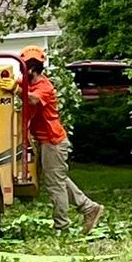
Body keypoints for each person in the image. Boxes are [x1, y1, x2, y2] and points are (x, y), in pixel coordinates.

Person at [21, 47, 103, 236]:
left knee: (55, 184)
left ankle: (62, 227)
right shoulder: (31, 84)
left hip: (53, 142)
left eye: (24, 67)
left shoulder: (44, 87)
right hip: (47, 142)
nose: (22, 72)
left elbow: (32, 100)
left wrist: (17, 89)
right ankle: (89, 207)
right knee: (58, 179)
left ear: (32, 69)